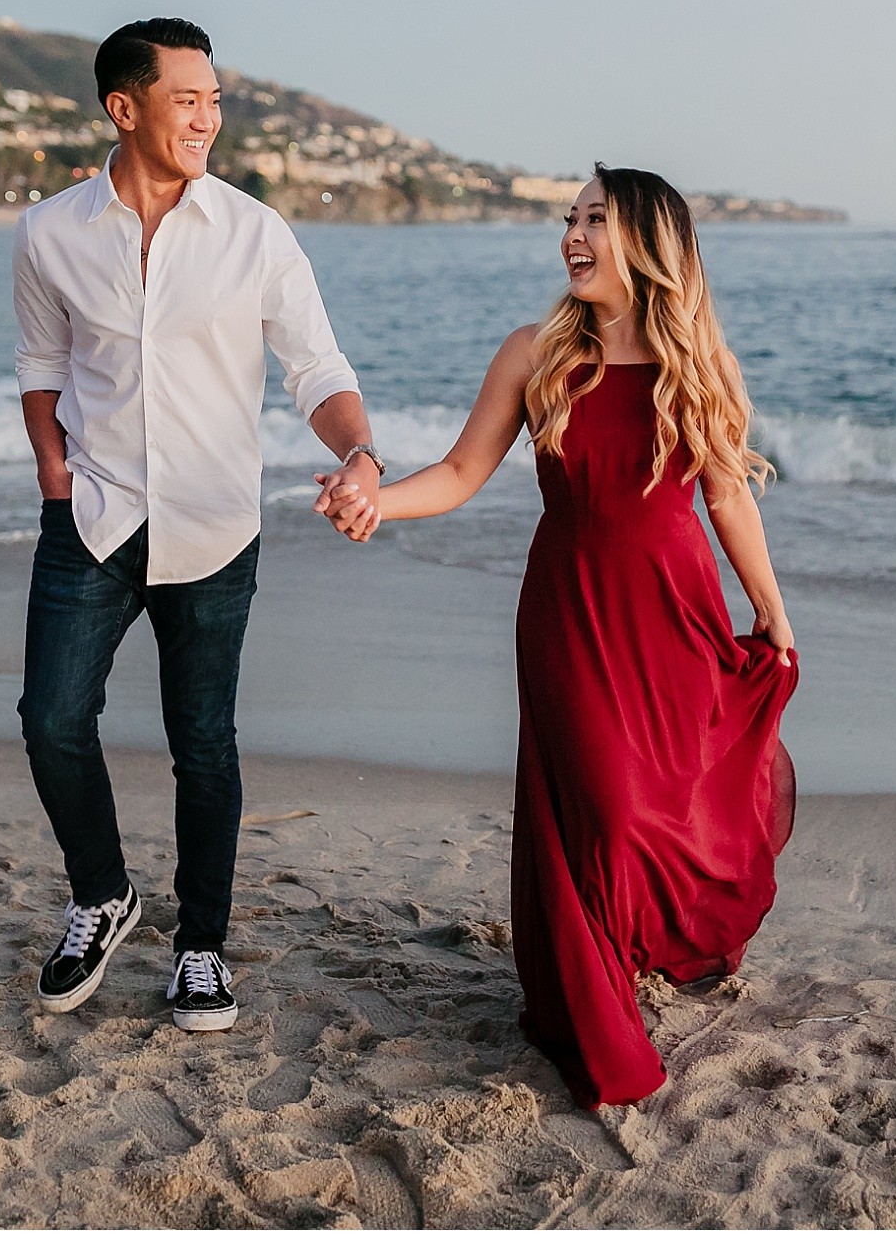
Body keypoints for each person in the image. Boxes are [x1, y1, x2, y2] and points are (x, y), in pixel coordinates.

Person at [315, 165, 798, 1107]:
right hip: (571, 611)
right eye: (569, 219)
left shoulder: (697, 364)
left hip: (677, 609)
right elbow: (459, 472)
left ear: (648, 244)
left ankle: (642, 945)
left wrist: (771, 608)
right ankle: (594, 1001)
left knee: (667, 794)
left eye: (595, 220)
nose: (572, 236)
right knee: (600, 807)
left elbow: (729, 496)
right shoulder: (533, 354)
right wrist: (378, 499)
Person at [13, 16, 383, 1032]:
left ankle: (202, 951)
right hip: (90, 516)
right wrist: (51, 462)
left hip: (214, 526)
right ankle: (102, 893)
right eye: (189, 98)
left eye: (216, 98)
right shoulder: (49, 231)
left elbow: (318, 368)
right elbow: (42, 363)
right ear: (123, 108)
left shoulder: (255, 233)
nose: (208, 118)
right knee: (49, 718)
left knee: (204, 744)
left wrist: (359, 451)